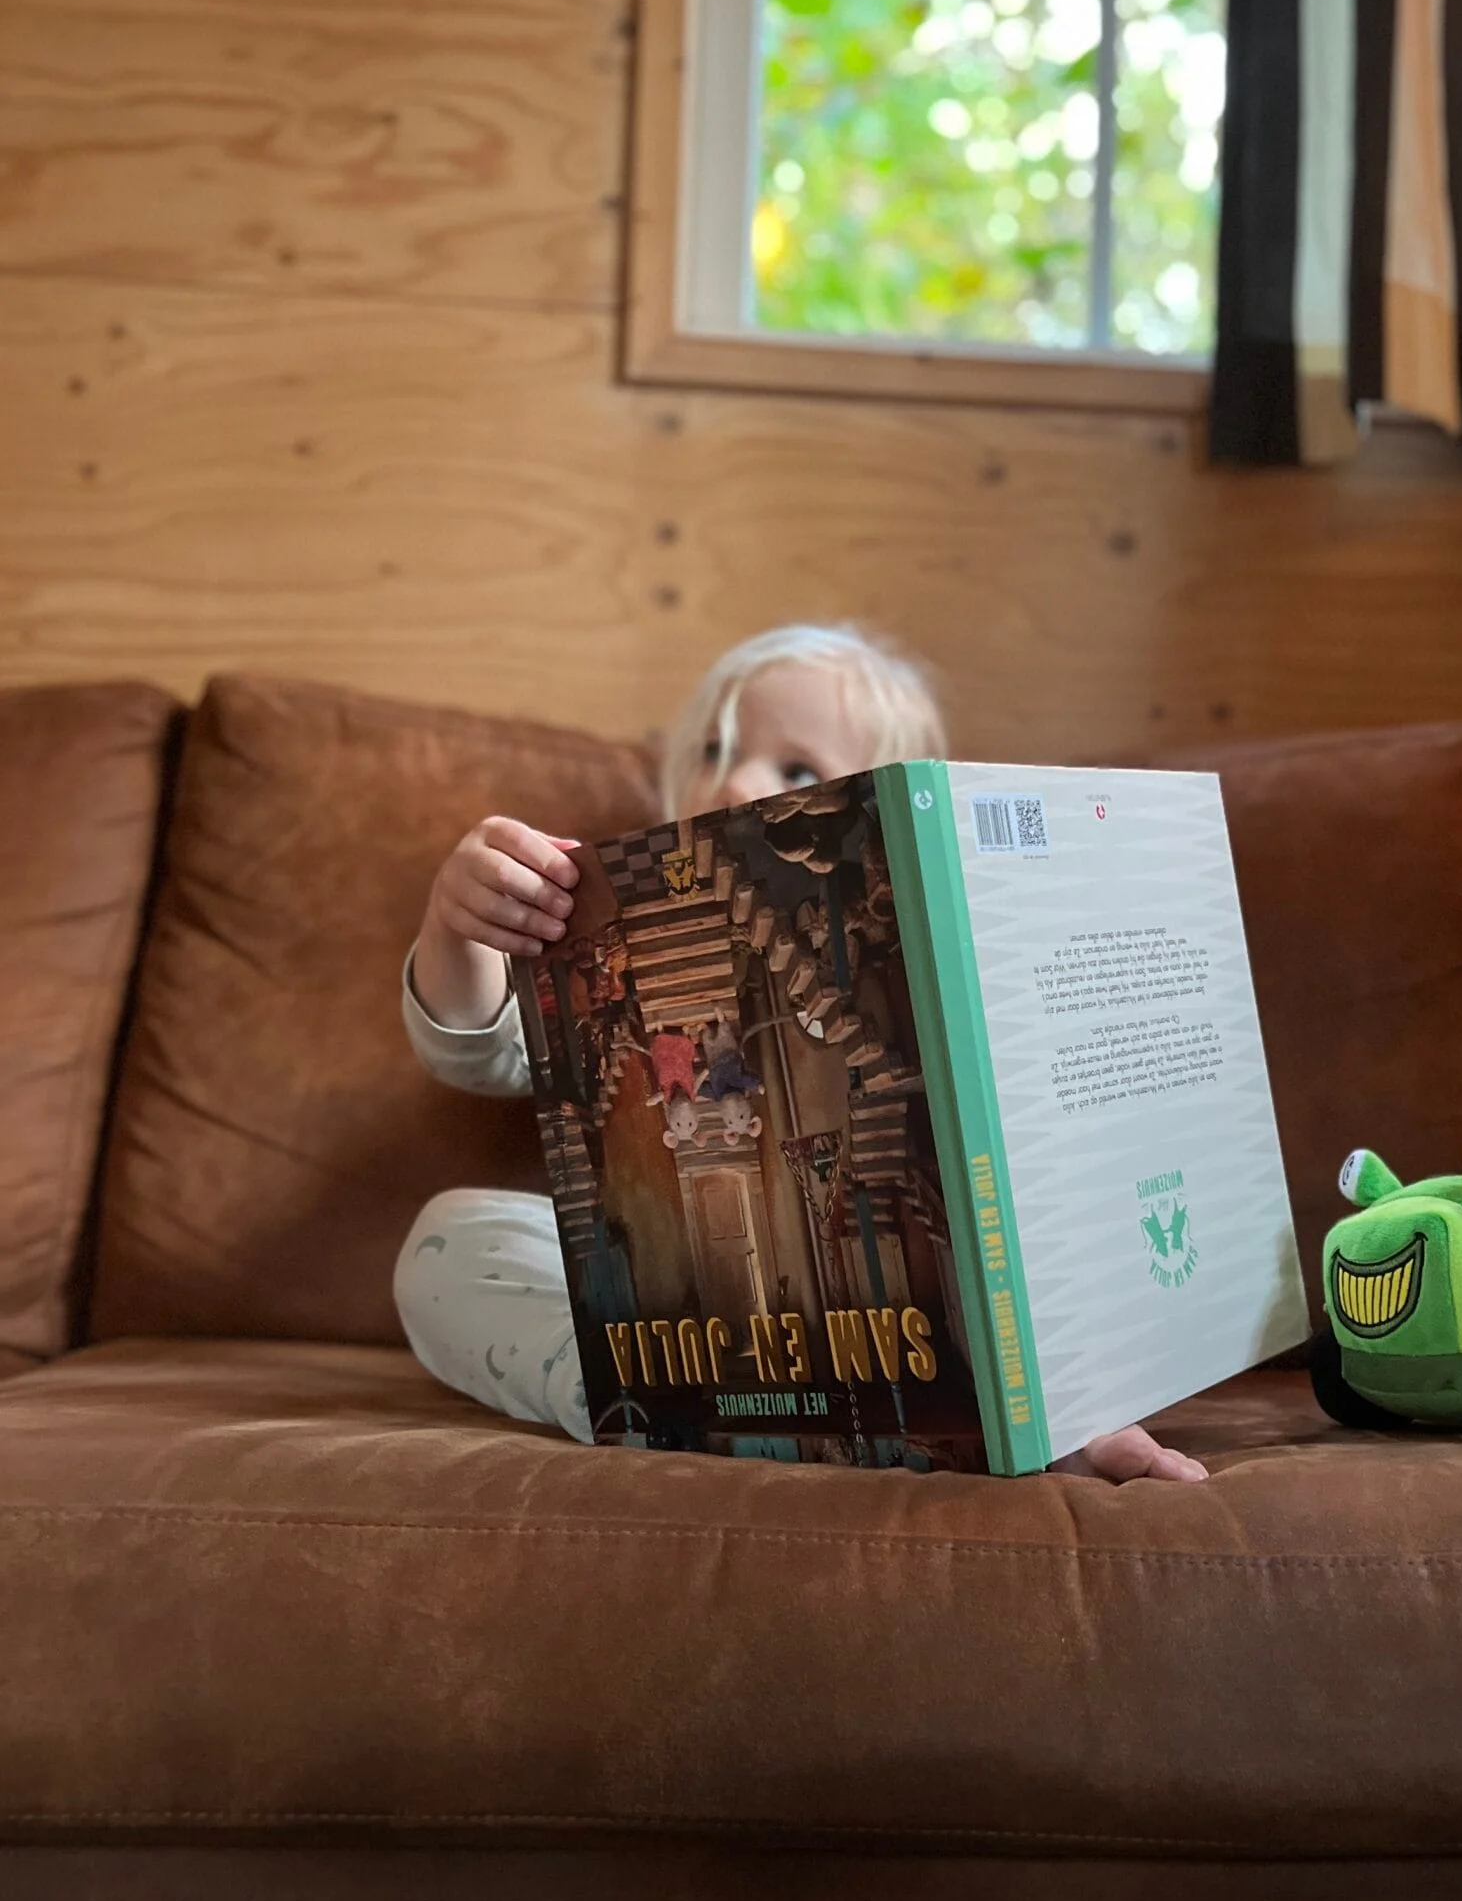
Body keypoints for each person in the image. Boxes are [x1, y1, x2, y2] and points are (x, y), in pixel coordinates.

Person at [394, 622, 1206, 1484]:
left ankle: (1051, 1420)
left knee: (1019, 1239)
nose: (734, 781)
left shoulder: (894, 951)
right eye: (715, 749)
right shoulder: (609, 923)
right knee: (447, 1240)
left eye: (796, 771)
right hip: (670, 1323)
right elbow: (479, 1054)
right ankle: (649, 1408)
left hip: (909, 1294)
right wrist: (462, 929)